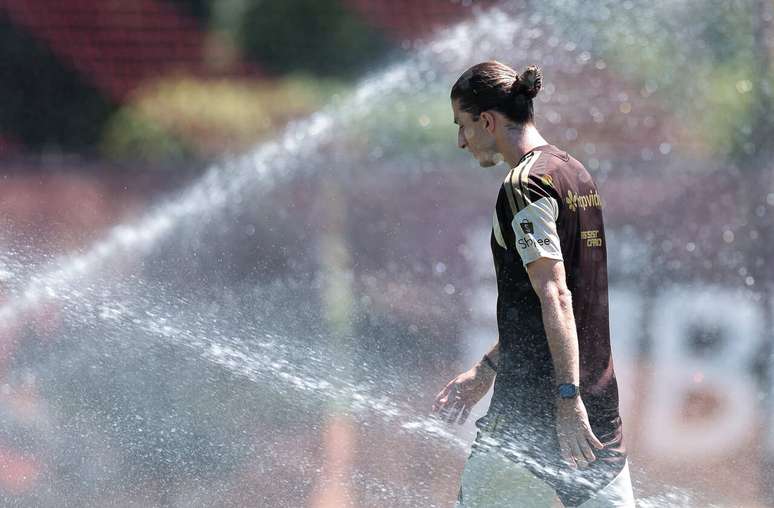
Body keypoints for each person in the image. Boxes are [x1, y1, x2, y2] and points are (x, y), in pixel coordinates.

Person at [433, 61, 635, 507]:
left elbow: (555, 295)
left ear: (487, 120)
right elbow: (546, 307)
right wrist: (485, 370)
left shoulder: (524, 184)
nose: (461, 141)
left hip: (537, 417)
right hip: (597, 412)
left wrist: (566, 399)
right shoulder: (574, 173)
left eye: (463, 126)